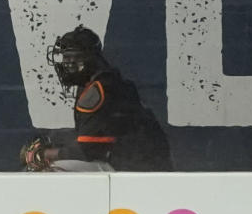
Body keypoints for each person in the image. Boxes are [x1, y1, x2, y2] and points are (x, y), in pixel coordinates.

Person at [20, 25, 172, 172]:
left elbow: (87, 151)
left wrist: (43, 154)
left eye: (71, 58)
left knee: (48, 170)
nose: (66, 64)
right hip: (139, 167)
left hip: (135, 172)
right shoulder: (107, 82)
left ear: (89, 59)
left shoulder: (100, 89)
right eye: (65, 58)